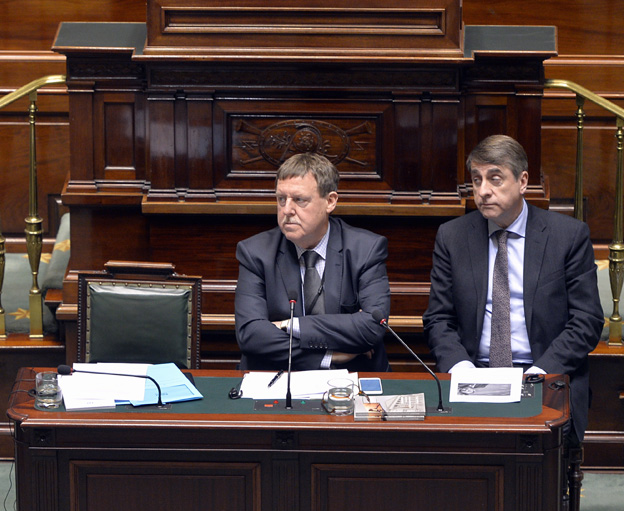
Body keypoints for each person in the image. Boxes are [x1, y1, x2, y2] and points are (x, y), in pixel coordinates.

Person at [422, 134, 603, 443]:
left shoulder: (567, 236)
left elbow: (587, 321)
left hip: (545, 374)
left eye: (495, 179)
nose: (483, 191)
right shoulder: (453, 236)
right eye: (476, 180)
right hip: (475, 372)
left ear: (523, 181)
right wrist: (462, 368)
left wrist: (540, 372)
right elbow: (439, 319)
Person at [235, 152, 390, 373]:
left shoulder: (366, 249)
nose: (287, 210)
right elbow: (250, 334)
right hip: (279, 376)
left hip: (355, 375)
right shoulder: (255, 252)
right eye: (281, 199)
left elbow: (373, 326)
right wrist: (326, 355)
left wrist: (289, 326)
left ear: (330, 201)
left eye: (299, 200)